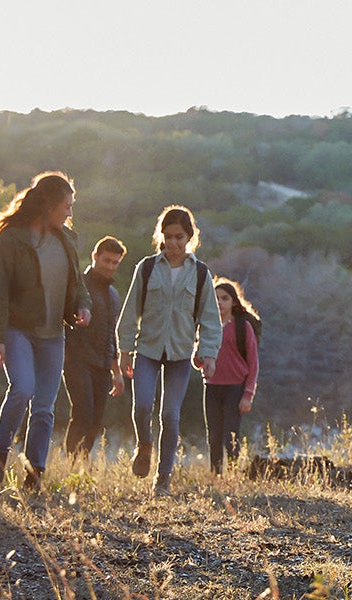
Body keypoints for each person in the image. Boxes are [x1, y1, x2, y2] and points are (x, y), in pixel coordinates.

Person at [0, 172, 91, 490]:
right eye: (66, 207)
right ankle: (0, 455)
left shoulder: (67, 239)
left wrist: (83, 306)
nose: (70, 213)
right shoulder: (13, 238)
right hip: (18, 330)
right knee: (22, 389)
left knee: (44, 406)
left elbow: (78, 284)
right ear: (48, 206)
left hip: (53, 334)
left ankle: (34, 475)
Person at [116, 205, 221, 496]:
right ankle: (144, 444)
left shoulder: (200, 274)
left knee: (170, 415)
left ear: (189, 237)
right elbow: (129, 313)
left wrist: (208, 353)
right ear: (161, 236)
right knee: (142, 406)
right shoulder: (147, 267)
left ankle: (163, 476)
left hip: (180, 354)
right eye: (168, 236)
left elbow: (210, 319)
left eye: (179, 237)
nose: (173, 243)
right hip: (147, 349)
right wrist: (124, 350)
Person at [62, 236, 127, 458]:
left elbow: (112, 335)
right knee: (83, 414)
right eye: (106, 260)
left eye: (115, 262)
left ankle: (81, 463)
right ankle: (71, 464)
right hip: (76, 360)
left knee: (96, 420)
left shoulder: (114, 294)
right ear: (95, 257)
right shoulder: (79, 285)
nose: (110, 266)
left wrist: (116, 372)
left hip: (101, 364)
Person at [204, 278, 261, 475]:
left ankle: (235, 474)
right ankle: (216, 474)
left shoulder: (243, 327)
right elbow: (198, 360)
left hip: (235, 387)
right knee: (213, 434)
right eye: (216, 298)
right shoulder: (207, 326)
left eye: (224, 298)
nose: (219, 302)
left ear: (234, 302)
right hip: (212, 387)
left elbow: (253, 363)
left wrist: (248, 394)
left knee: (231, 434)